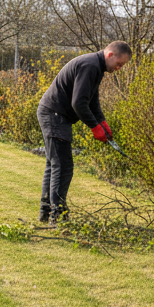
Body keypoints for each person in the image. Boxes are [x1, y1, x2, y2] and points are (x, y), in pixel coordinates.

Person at [36, 41, 131, 222]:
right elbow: (78, 103)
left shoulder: (96, 67)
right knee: (63, 167)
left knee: (54, 164)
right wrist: (95, 127)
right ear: (110, 55)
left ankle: (46, 212)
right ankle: (58, 215)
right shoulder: (90, 65)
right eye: (119, 64)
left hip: (54, 114)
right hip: (55, 115)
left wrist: (102, 122)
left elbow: (92, 100)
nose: (119, 68)